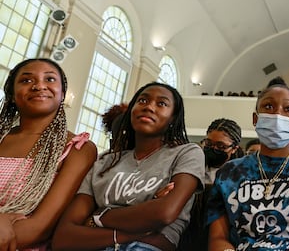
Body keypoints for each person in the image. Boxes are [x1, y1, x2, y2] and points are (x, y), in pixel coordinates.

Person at [52, 82, 204, 251]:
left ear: (173, 117)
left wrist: (98, 215)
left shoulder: (187, 153)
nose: (149, 107)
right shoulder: (105, 162)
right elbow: (64, 237)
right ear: (132, 110)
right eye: (142, 101)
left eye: (161, 103)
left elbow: (165, 213)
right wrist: (133, 227)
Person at [206, 76, 289, 250]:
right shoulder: (230, 172)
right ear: (255, 118)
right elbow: (217, 238)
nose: (277, 114)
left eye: (287, 109)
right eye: (268, 106)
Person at [0, 58, 97, 250]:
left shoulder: (77, 149)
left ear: (62, 94)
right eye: (26, 80)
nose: (39, 86)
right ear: (11, 95)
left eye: (50, 79)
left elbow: (39, 228)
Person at [201, 118, 244, 185]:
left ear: (234, 149)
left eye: (220, 146)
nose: (213, 148)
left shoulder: (242, 174)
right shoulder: (195, 166)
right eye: (208, 143)